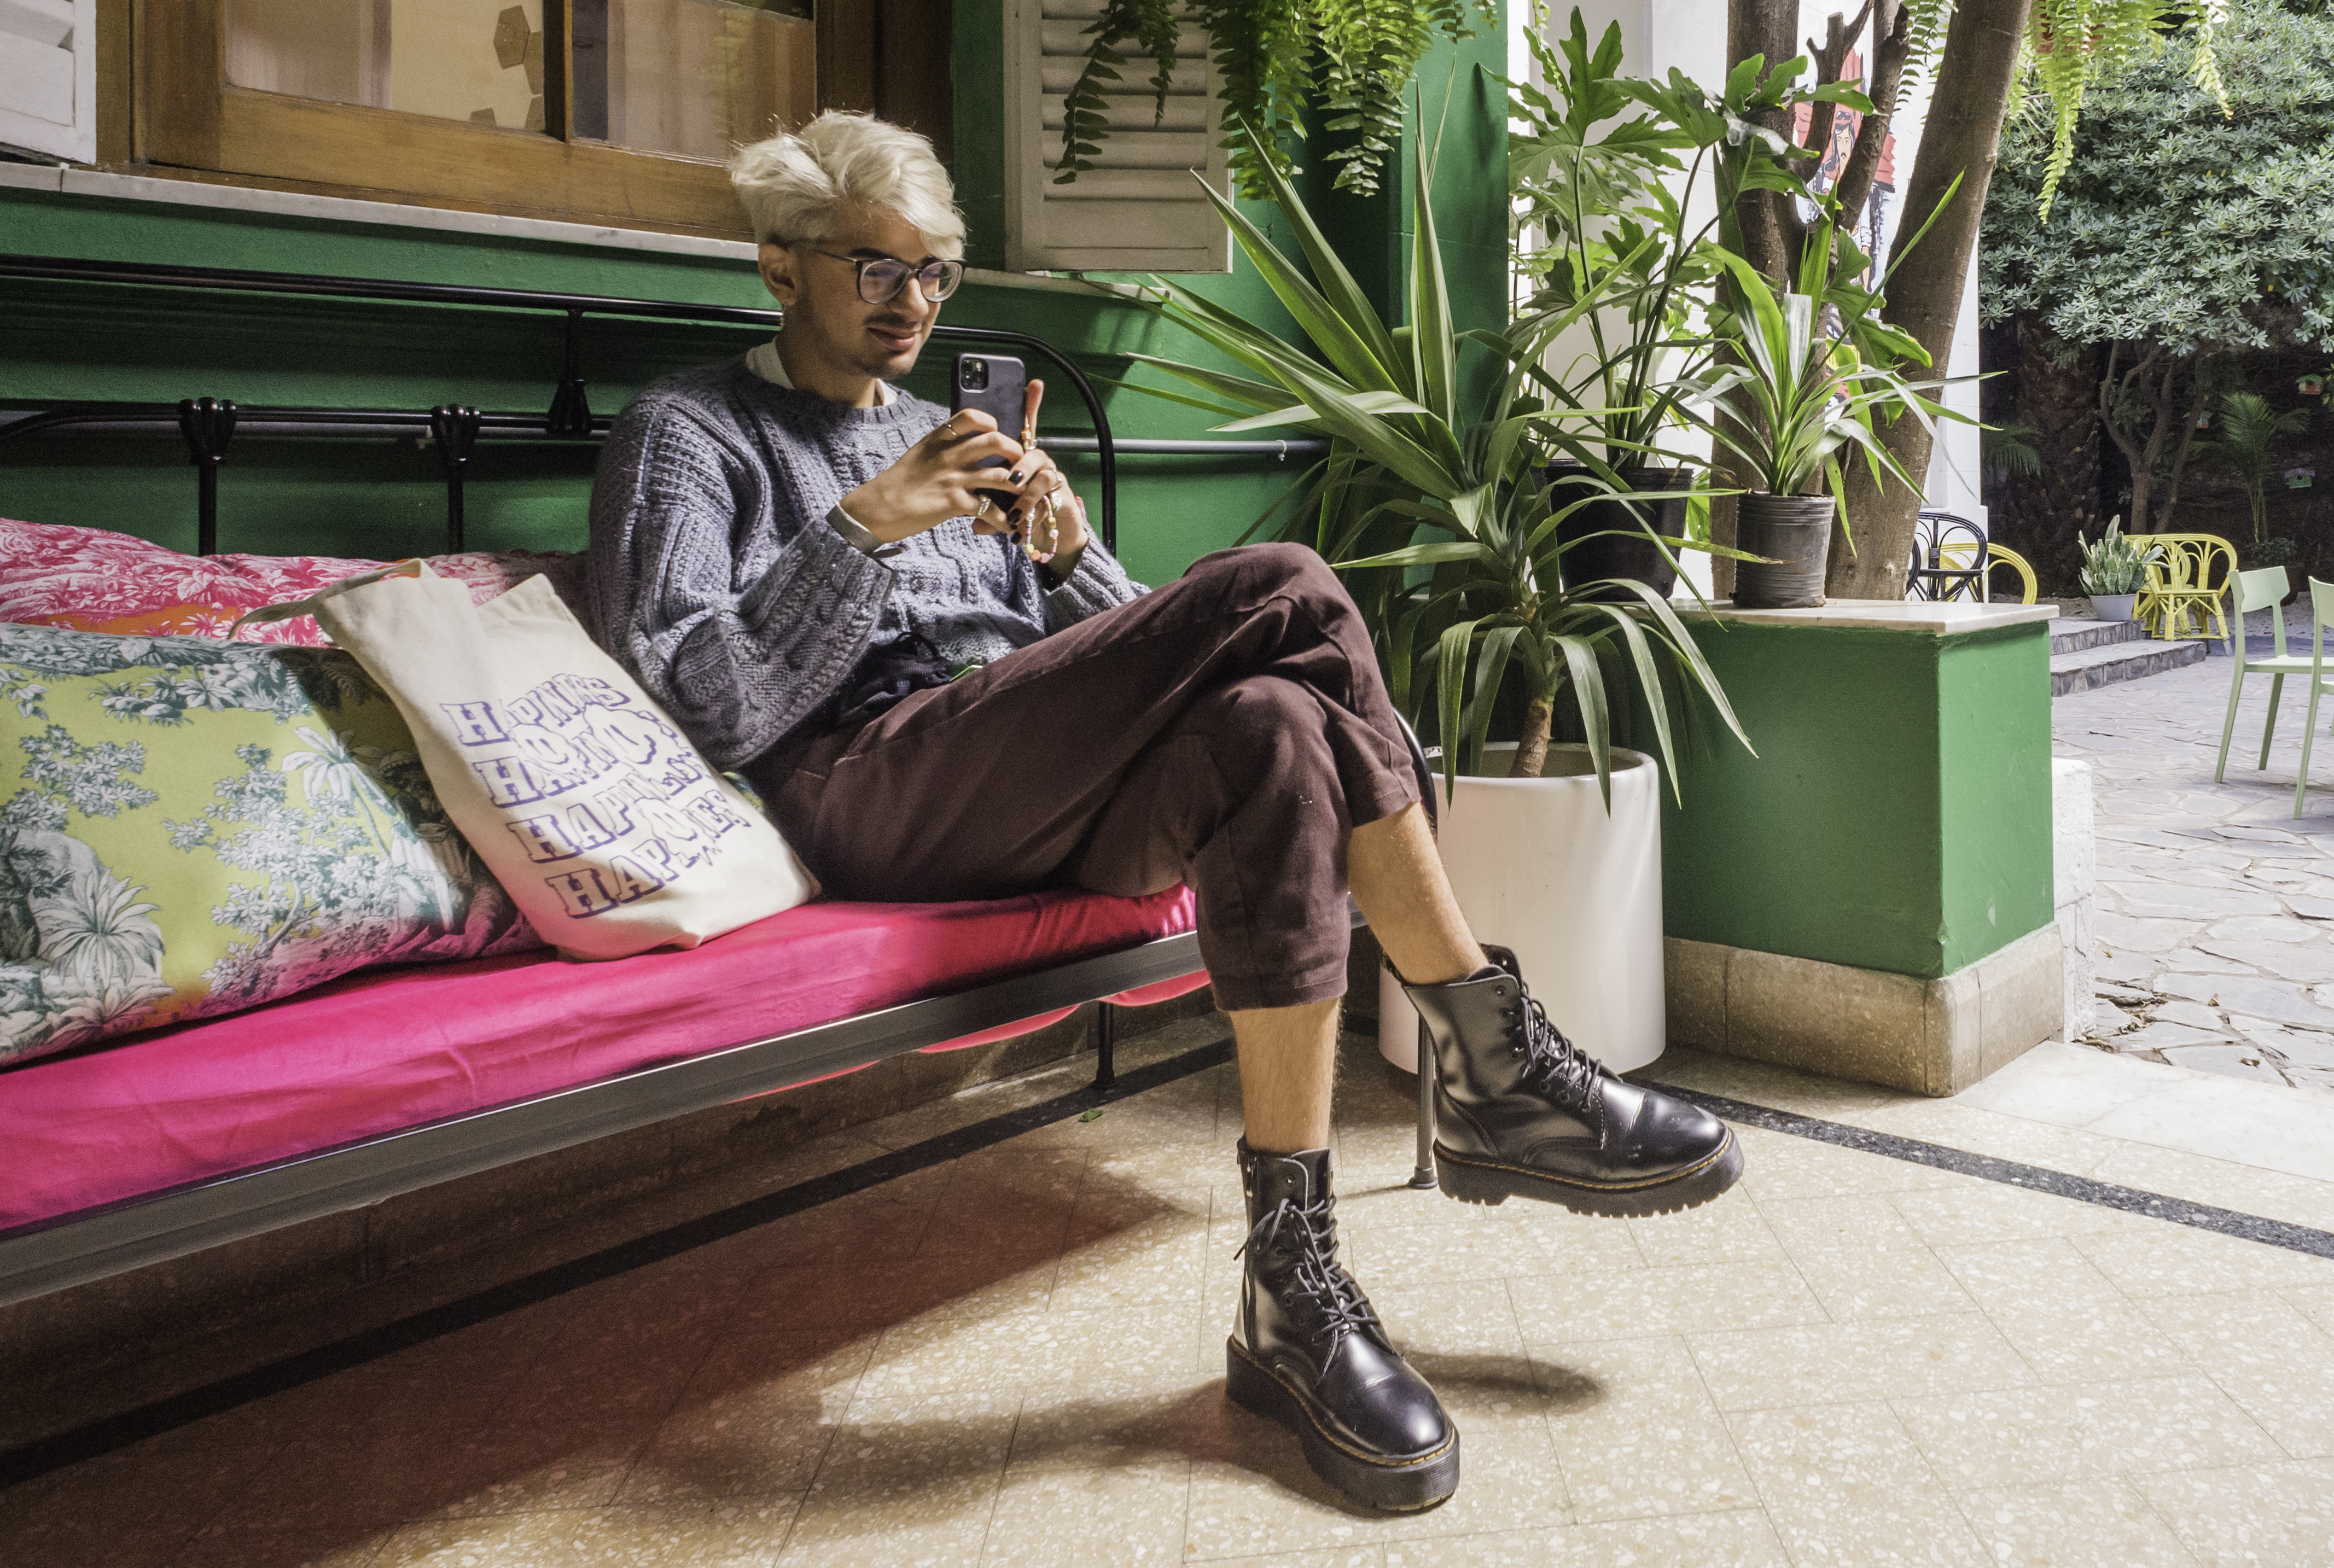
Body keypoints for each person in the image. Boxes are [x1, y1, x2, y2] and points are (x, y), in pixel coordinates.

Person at [581, 114, 1739, 1515]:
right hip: (864, 781)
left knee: (1273, 727)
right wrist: (859, 531)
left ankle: (1290, 1281)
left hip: (1024, 758)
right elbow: (689, 696)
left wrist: (1067, 562)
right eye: (874, 268)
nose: (914, 303)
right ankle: (1491, 1057)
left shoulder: (955, 432)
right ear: (778, 264)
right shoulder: (690, 432)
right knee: (1294, 581)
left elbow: (1179, 661)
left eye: (936, 272)